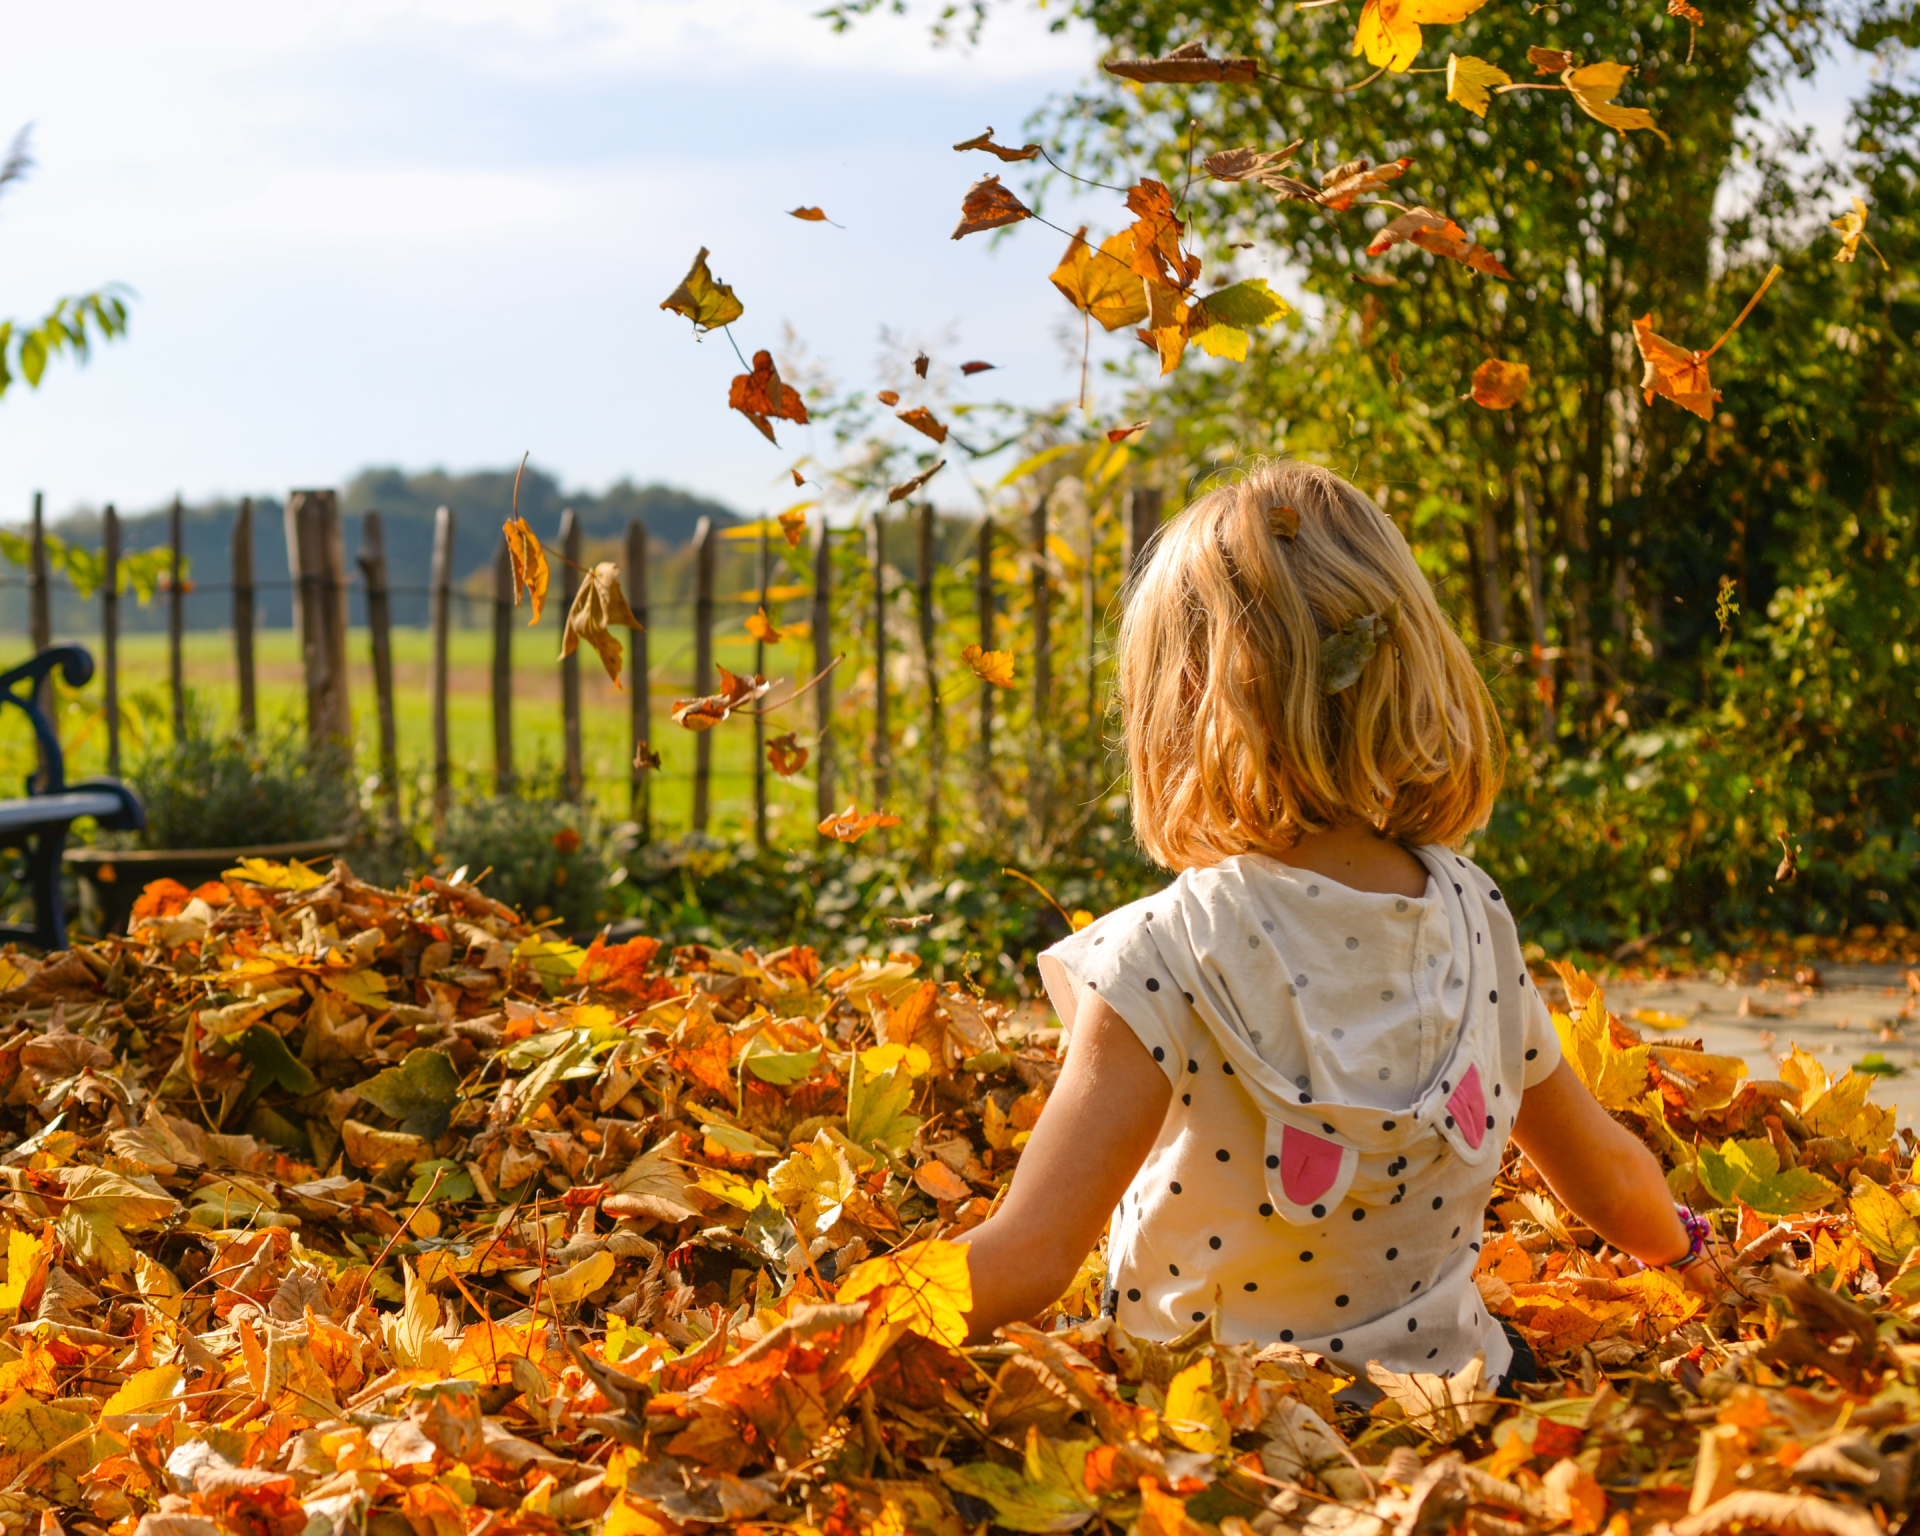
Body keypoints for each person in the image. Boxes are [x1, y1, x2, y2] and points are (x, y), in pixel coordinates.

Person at [956, 460, 1715, 1382]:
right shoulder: (1474, 916)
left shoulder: (1162, 954)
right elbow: (1604, 1172)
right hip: (1452, 1399)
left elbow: (1030, 1257)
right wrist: (1688, 1253)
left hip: (1213, 1426)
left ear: (1186, 701)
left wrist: (832, 1328)